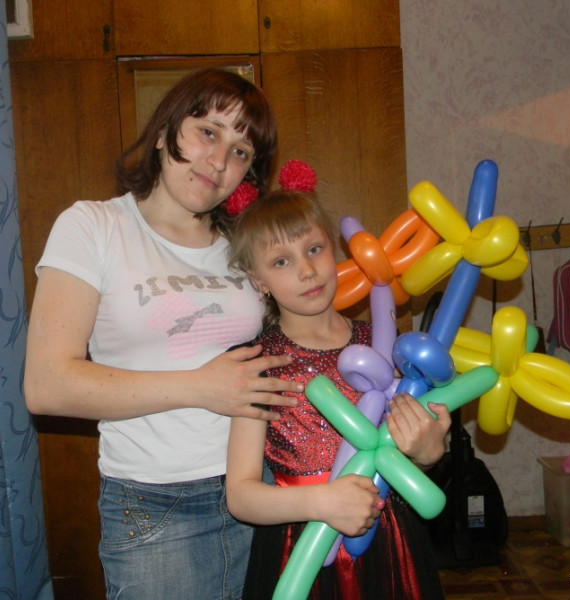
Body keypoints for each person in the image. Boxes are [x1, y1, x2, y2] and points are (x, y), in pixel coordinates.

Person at [24, 68, 304, 600]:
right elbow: (47, 385)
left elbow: (306, 337)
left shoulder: (246, 246)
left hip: (264, 487)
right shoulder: (93, 227)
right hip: (155, 507)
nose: (219, 161)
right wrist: (200, 387)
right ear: (163, 131)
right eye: (208, 132)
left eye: (241, 151)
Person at [226, 170, 451, 599]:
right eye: (281, 261)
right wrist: (324, 502)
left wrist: (428, 454)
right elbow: (240, 496)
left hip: (389, 540)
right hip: (301, 546)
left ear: (335, 249)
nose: (307, 271)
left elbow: (406, 457)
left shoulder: (386, 345)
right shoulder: (258, 364)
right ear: (258, 281)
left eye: (314, 249)